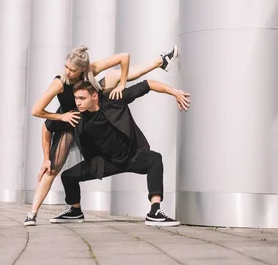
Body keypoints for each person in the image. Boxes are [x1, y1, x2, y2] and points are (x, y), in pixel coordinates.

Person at [23, 45, 180, 226]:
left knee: (116, 76)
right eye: (65, 67)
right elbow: (37, 111)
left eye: (72, 69)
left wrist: (122, 84)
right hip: (69, 117)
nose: (67, 72)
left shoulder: (91, 71)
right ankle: (33, 213)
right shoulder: (60, 82)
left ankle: (161, 61)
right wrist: (59, 124)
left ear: (83, 70)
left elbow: (124, 56)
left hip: (90, 102)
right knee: (53, 168)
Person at [49, 79, 190, 227]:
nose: (78, 103)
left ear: (95, 96)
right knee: (68, 176)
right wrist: (47, 157)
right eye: (76, 98)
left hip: (132, 156)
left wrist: (175, 92)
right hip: (104, 163)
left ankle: (155, 211)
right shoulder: (76, 116)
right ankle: (75, 211)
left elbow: (148, 84)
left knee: (154, 158)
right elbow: (47, 127)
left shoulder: (114, 100)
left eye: (82, 98)